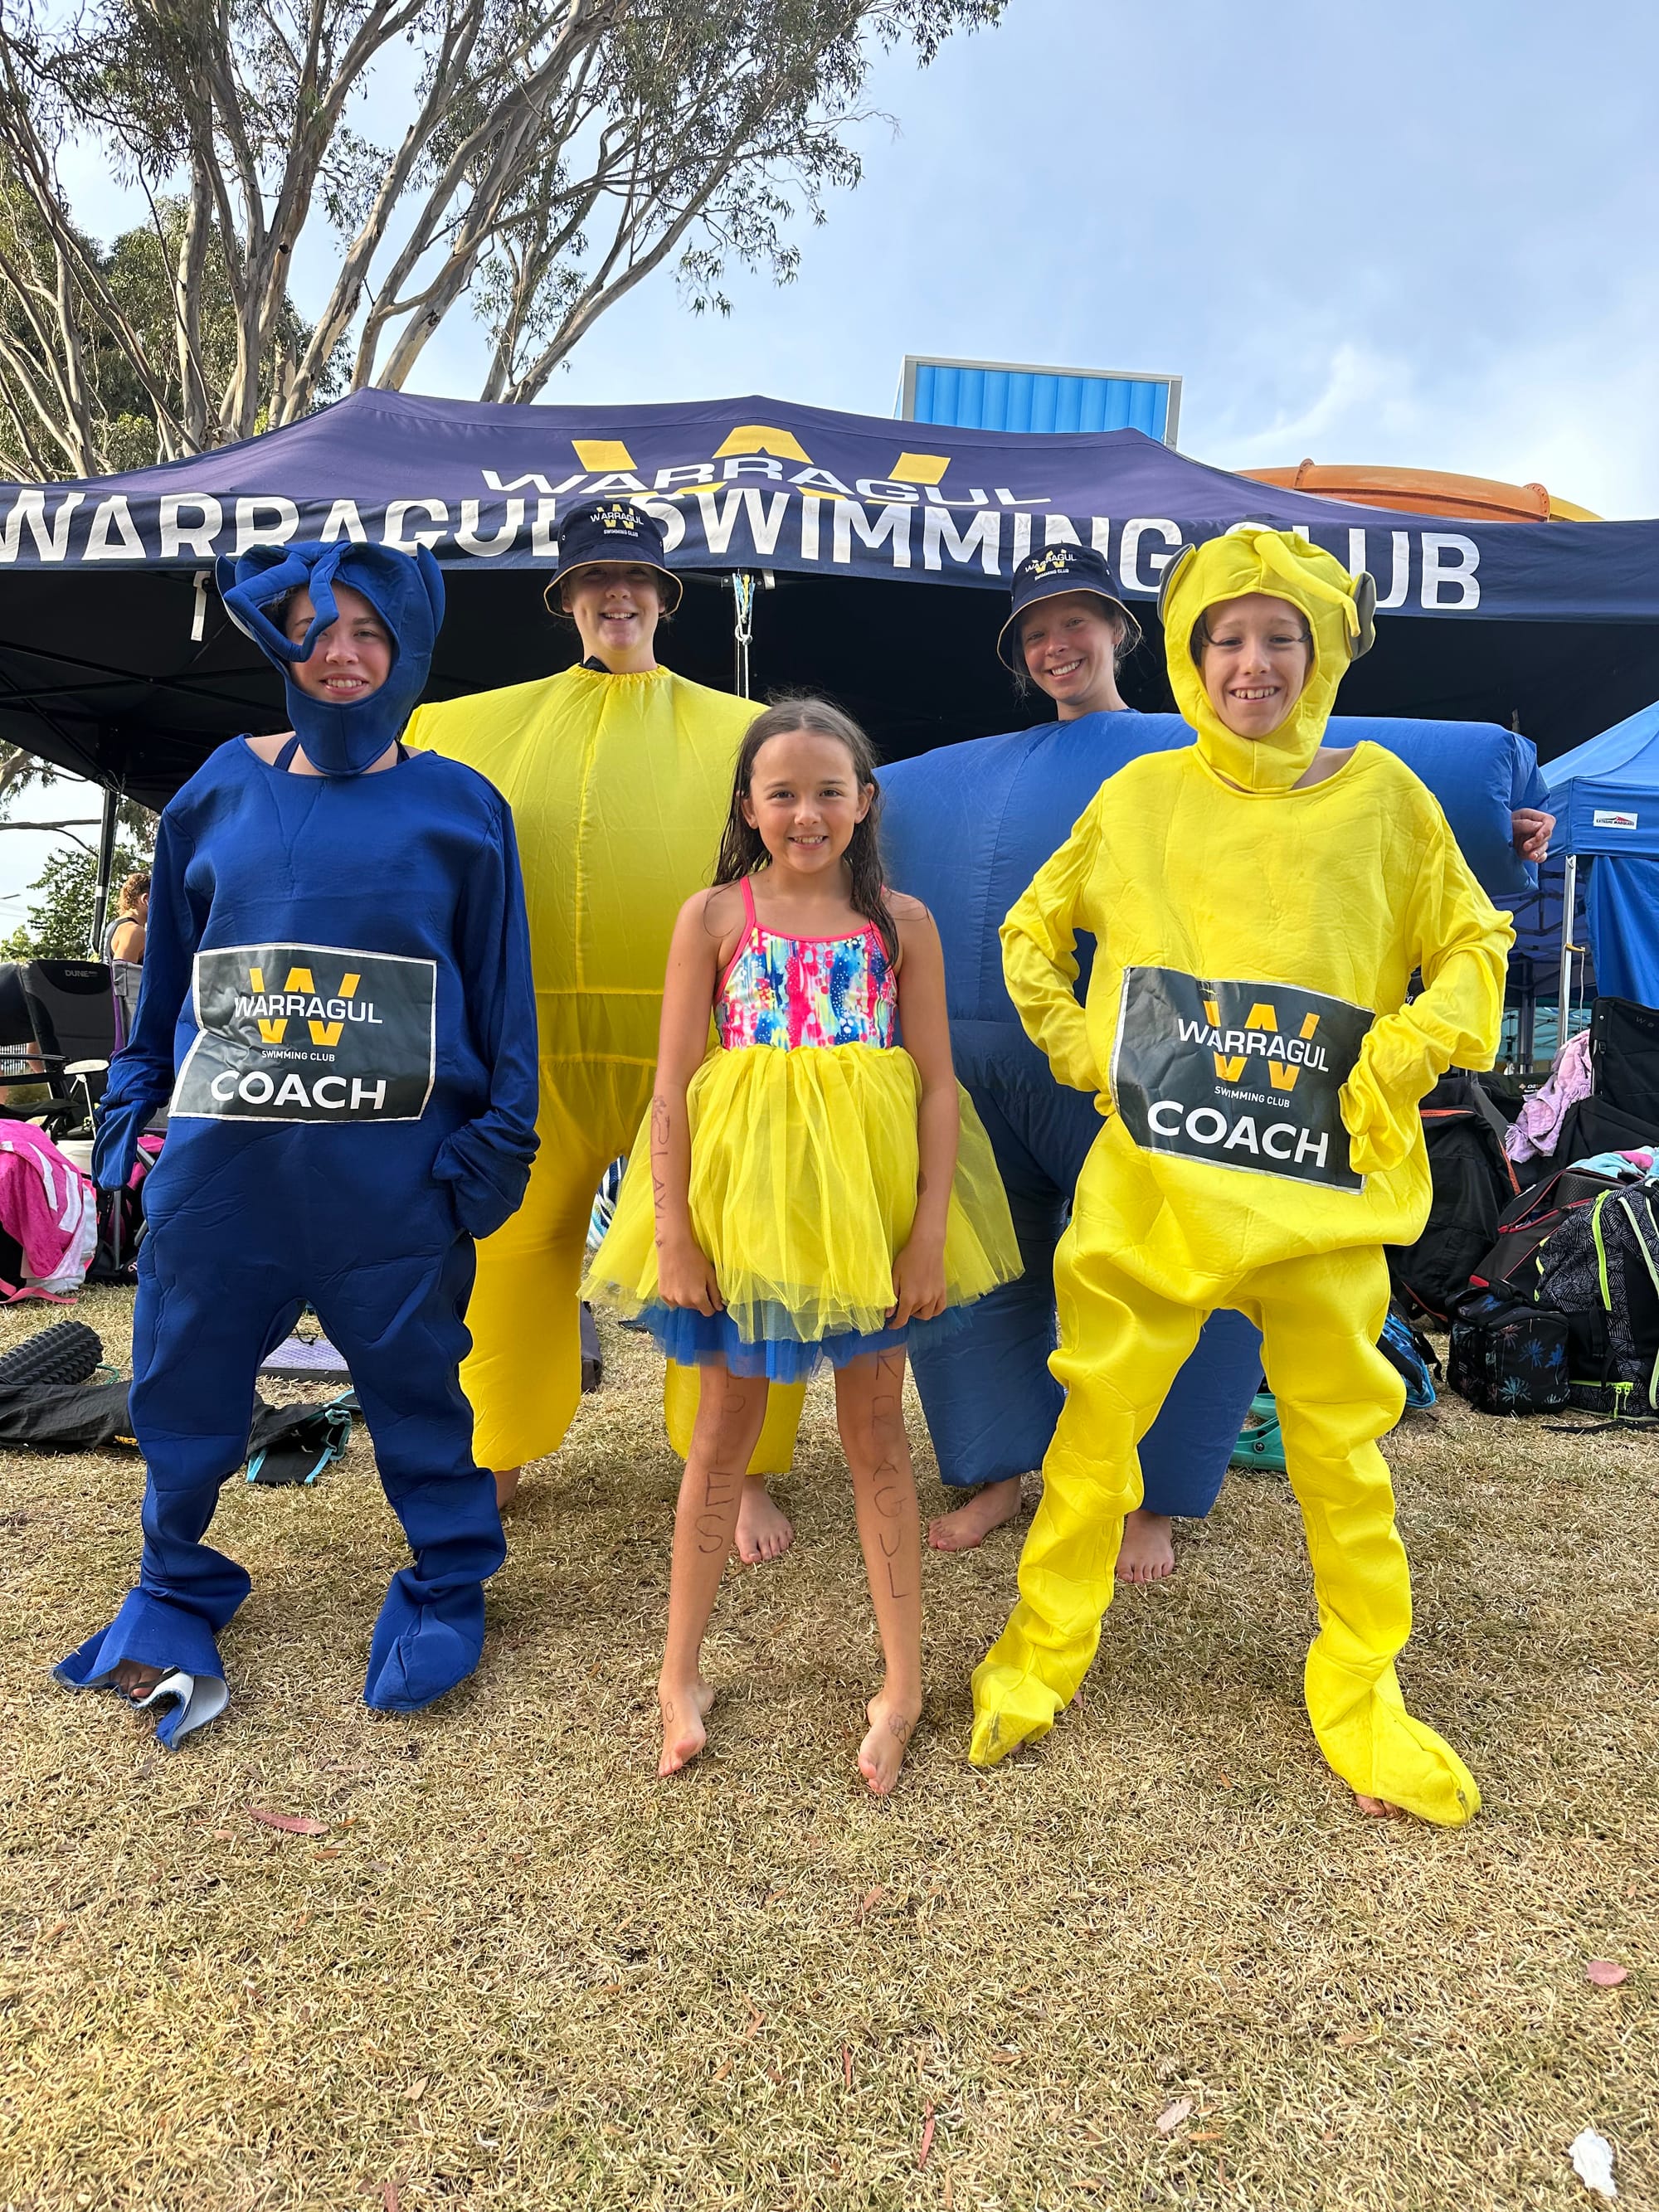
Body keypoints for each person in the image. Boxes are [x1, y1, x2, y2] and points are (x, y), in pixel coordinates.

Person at [969, 526, 1511, 1826]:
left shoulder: (1383, 797)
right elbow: (1031, 931)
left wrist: (1401, 1050)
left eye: (1280, 636)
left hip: (1317, 1188)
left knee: (1340, 1444)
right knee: (1095, 1429)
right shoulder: (1146, 797)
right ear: (1192, 653)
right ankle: (1042, 1650)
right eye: (1225, 636)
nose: (1251, 662)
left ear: (1322, 650)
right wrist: (1088, 1049)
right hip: (1155, 1184)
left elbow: (1474, 943)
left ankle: (1363, 1684)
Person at [55, 542, 539, 1746]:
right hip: (227, 1180)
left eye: (371, 632)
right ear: (280, 641)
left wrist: (501, 1135)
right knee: (181, 1379)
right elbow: (162, 975)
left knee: (422, 1387)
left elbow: (504, 989)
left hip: (393, 1182)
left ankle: (446, 1577)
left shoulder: (464, 805)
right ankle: (173, 1577)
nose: (341, 653)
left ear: (409, 651)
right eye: (318, 629)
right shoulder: (216, 788)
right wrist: (134, 1096)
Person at [583, 699, 1019, 1793]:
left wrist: (926, 1235)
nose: (807, 811)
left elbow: (933, 1086)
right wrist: (675, 1230)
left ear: (865, 802)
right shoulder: (713, 918)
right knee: (722, 1435)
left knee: (876, 1434)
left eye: (830, 789)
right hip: (744, 1210)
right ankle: (680, 1673)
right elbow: (674, 1083)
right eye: (782, 791)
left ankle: (904, 1681)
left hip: (867, 1210)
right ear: (748, 806)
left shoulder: (900, 924)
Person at [406, 500, 805, 1559]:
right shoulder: (462, 724)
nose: (615, 595)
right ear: (568, 598)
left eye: (634, 578)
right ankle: (494, 1453)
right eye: (594, 579)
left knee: (726, 1252)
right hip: (526, 1055)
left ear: (665, 597)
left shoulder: (743, 732)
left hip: (696, 1055)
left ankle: (744, 1469)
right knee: (506, 1250)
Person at [881, 546, 1263, 1576]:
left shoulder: (1210, 746)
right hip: (980, 1066)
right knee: (978, 1276)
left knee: (1179, 1270)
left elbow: (1354, 792)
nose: (1057, 645)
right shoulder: (946, 780)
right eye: (1036, 632)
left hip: (1149, 1055)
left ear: (1119, 632)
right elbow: (813, 804)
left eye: (1076, 623)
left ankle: (1152, 1496)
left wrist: (1506, 827)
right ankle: (998, 1470)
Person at [103, 869, 150, 1046]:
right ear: (145, 900)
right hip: (124, 1028)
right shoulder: (135, 931)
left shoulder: (113, 927)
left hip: (109, 1016)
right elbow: (123, 983)